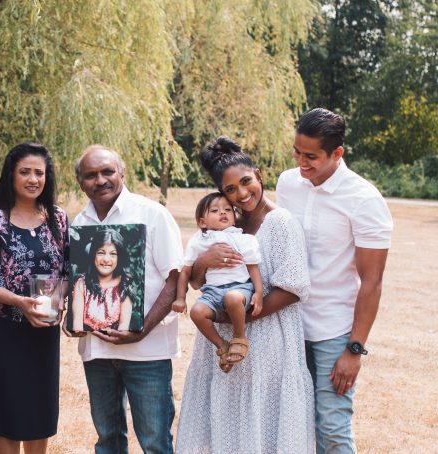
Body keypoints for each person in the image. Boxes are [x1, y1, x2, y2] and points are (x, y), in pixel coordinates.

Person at [176, 136, 314, 453]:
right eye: (230, 190)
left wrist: (235, 314)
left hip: (268, 341)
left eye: (246, 182)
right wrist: (204, 263)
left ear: (258, 174)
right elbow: (198, 283)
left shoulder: (280, 222)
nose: (242, 193)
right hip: (221, 339)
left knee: (261, 425)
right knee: (225, 423)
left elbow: (293, 288)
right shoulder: (224, 222)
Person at [275, 109, 393, 454]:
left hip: (333, 331)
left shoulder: (364, 200)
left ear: (337, 154)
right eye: (297, 152)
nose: (301, 162)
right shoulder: (287, 184)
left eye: (311, 156)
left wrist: (354, 350)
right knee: (293, 425)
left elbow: (372, 283)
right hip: (288, 325)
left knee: (333, 428)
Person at [70, 145, 183, 454]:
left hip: (147, 351)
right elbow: (79, 283)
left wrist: (142, 329)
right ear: (80, 181)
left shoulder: (152, 214)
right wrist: (75, 321)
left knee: (155, 441)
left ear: (122, 172)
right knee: (108, 440)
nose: (100, 180)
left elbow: (175, 280)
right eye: (91, 175)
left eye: (107, 171)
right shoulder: (79, 224)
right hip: (98, 353)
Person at [0, 143, 69, 454]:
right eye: (25, 172)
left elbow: (67, 267)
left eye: (39, 172)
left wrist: (59, 302)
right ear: (11, 175)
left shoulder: (58, 218)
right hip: (1, 327)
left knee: (39, 406)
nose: (33, 179)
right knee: (6, 408)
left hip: (41, 328)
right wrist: (20, 302)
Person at [172, 192, 264, 371]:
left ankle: (239, 337)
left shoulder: (243, 239)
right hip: (212, 291)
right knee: (197, 312)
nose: (223, 213)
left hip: (240, 287)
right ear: (202, 222)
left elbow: (253, 268)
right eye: (215, 210)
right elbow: (185, 271)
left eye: (228, 209)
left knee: (233, 298)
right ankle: (222, 345)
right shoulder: (199, 241)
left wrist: (258, 293)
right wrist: (180, 298)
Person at [69, 228, 134, 332]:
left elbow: (124, 325)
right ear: (93, 254)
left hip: (117, 344)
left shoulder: (124, 284)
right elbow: (77, 323)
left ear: (119, 257)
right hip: (89, 340)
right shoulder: (81, 284)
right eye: (101, 253)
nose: (106, 259)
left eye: (113, 254)